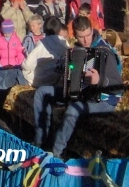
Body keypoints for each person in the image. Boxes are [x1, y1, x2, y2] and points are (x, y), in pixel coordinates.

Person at [33, 16, 122, 158]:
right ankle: (40, 143)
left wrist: (99, 81)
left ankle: (56, 154)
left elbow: (118, 87)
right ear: (74, 35)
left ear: (92, 30)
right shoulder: (77, 50)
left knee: (73, 110)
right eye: (81, 37)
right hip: (81, 93)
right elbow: (71, 72)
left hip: (104, 99)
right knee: (41, 93)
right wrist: (66, 70)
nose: (86, 40)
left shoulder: (104, 51)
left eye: (88, 35)